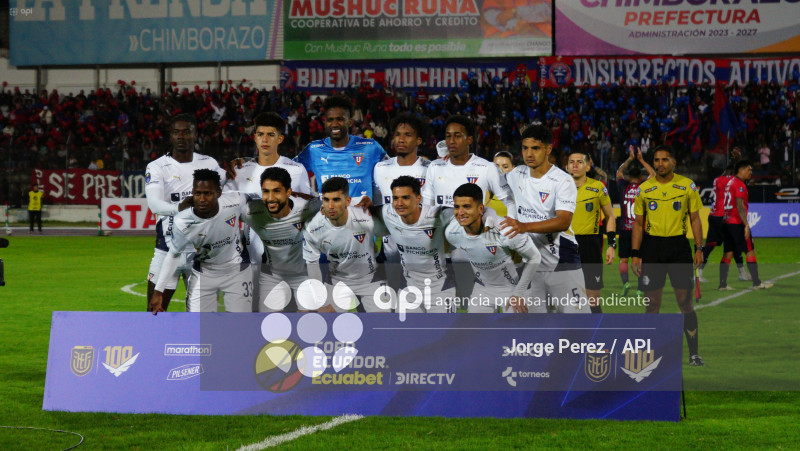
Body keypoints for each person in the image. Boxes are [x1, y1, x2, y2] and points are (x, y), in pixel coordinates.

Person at [500, 124, 588, 314]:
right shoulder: (516, 175)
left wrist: (524, 226)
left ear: (548, 149)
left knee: (578, 323)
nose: (529, 153)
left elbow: (563, 221)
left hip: (563, 259)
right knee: (515, 317)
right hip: (532, 264)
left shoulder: (562, 181)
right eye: (525, 148)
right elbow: (489, 178)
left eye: (536, 148)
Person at [144, 114, 227, 312]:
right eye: (176, 132)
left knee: (202, 316)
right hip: (166, 249)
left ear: (195, 134)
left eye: (186, 132)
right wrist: (178, 207)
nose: (181, 136)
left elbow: (227, 189)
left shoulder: (209, 163)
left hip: (201, 252)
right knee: (154, 313)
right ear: (170, 136)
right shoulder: (157, 166)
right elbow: (155, 204)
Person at [630, 145, 704, 367]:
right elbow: (639, 223)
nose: (660, 163)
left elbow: (695, 219)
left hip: (678, 248)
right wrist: (635, 253)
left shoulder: (686, 186)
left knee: (685, 303)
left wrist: (699, 248)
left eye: (664, 159)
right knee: (652, 304)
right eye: (657, 160)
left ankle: (693, 354)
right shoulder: (645, 189)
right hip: (652, 249)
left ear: (674, 163)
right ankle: (647, 354)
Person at [232, 112, 312, 311]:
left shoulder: (295, 169)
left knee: (290, 312)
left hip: (287, 257)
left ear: (280, 138)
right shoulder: (241, 171)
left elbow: (307, 211)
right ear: (255, 137)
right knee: (254, 312)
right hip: (250, 254)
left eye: (270, 134)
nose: (265, 140)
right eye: (260, 134)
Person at [149, 169, 252, 314]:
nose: (202, 199)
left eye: (208, 193)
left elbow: (257, 197)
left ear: (218, 193)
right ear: (193, 192)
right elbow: (173, 254)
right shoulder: (182, 222)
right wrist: (158, 291)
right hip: (204, 274)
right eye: (198, 193)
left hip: (237, 271)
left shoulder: (233, 202)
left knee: (240, 324)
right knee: (198, 325)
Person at [445, 183, 541, 313]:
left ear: (480, 208)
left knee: (514, 333)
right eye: (457, 207)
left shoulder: (506, 230)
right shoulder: (452, 232)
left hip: (514, 289)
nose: (460, 213)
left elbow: (535, 257)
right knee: (474, 331)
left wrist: (518, 293)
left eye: (466, 207)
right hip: (483, 288)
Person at [302, 177, 388, 313]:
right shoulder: (313, 228)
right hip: (338, 280)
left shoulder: (366, 216)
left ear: (347, 201)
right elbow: (311, 264)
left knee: (382, 327)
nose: (330, 206)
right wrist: (320, 299)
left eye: (336, 200)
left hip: (370, 278)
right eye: (326, 200)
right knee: (324, 322)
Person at [373, 176, 455, 313]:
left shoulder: (438, 214)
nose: (399, 203)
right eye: (395, 198)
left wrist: (492, 219)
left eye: (405, 197)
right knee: (407, 333)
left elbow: (476, 213)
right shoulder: (387, 213)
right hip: (408, 288)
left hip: (440, 289)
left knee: (442, 334)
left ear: (418, 199)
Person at [245, 167, 321, 312]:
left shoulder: (307, 208)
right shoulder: (252, 211)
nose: (271, 197)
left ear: (288, 192)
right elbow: (225, 204)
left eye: (277, 191)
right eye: (266, 191)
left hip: (302, 274)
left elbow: (331, 206)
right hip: (271, 275)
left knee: (307, 326)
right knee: (271, 327)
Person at [295, 95, 386, 208]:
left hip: (362, 220)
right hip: (329, 220)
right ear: (325, 122)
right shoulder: (313, 150)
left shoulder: (371, 147)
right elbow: (289, 170)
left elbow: (392, 172)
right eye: (330, 120)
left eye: (340, 119)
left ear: (350, 122)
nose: (334, 124)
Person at [372, 113, 431, 280]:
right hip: (390, 245)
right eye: (397, 135)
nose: (401, 139)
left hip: (422, 244)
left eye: (407, 135)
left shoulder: (431, 169)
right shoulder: (380, 168)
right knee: (394, 293)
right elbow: (378, 203)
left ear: (419, 141)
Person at [567, 150, 616, 313]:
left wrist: (611, 245)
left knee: (592, 300)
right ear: (566, 167)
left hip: (590, 247)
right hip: (566, 247)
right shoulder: (559, 189)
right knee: (567, 300)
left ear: (588, 167)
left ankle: (596, 338)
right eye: (571, 162)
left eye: (579, 162)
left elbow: (610, 216)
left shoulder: (598, 188)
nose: (575, 165)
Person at [719, 160, 773, 290]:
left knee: (728, 253)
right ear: (742, 170)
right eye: (749, 170)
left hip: (726, 221)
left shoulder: (730, 182)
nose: (751, 172)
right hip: (737, 222)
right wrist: (746, 224)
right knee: (750, 250)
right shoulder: (739, 185)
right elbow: (739, 205)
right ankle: (756, 282)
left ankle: (722, 284)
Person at [699, 162, 749, 283]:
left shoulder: (717, 180)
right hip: (724, 217)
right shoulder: (732, 181)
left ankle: (698, 273)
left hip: (714, 216)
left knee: (710, 246)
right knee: (733, 245)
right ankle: (742, 273)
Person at [615, 145, 655, 296]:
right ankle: (640, 288)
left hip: (624, 229)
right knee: (640, 259)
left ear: (628, 177)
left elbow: (618, 171)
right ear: (640, 178)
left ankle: (626, 283)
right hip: (638, 230)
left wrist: (630, 159)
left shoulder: (622, 186)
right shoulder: (643, 187)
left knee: (623, 260)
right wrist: (641, 160)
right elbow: (653, 173)